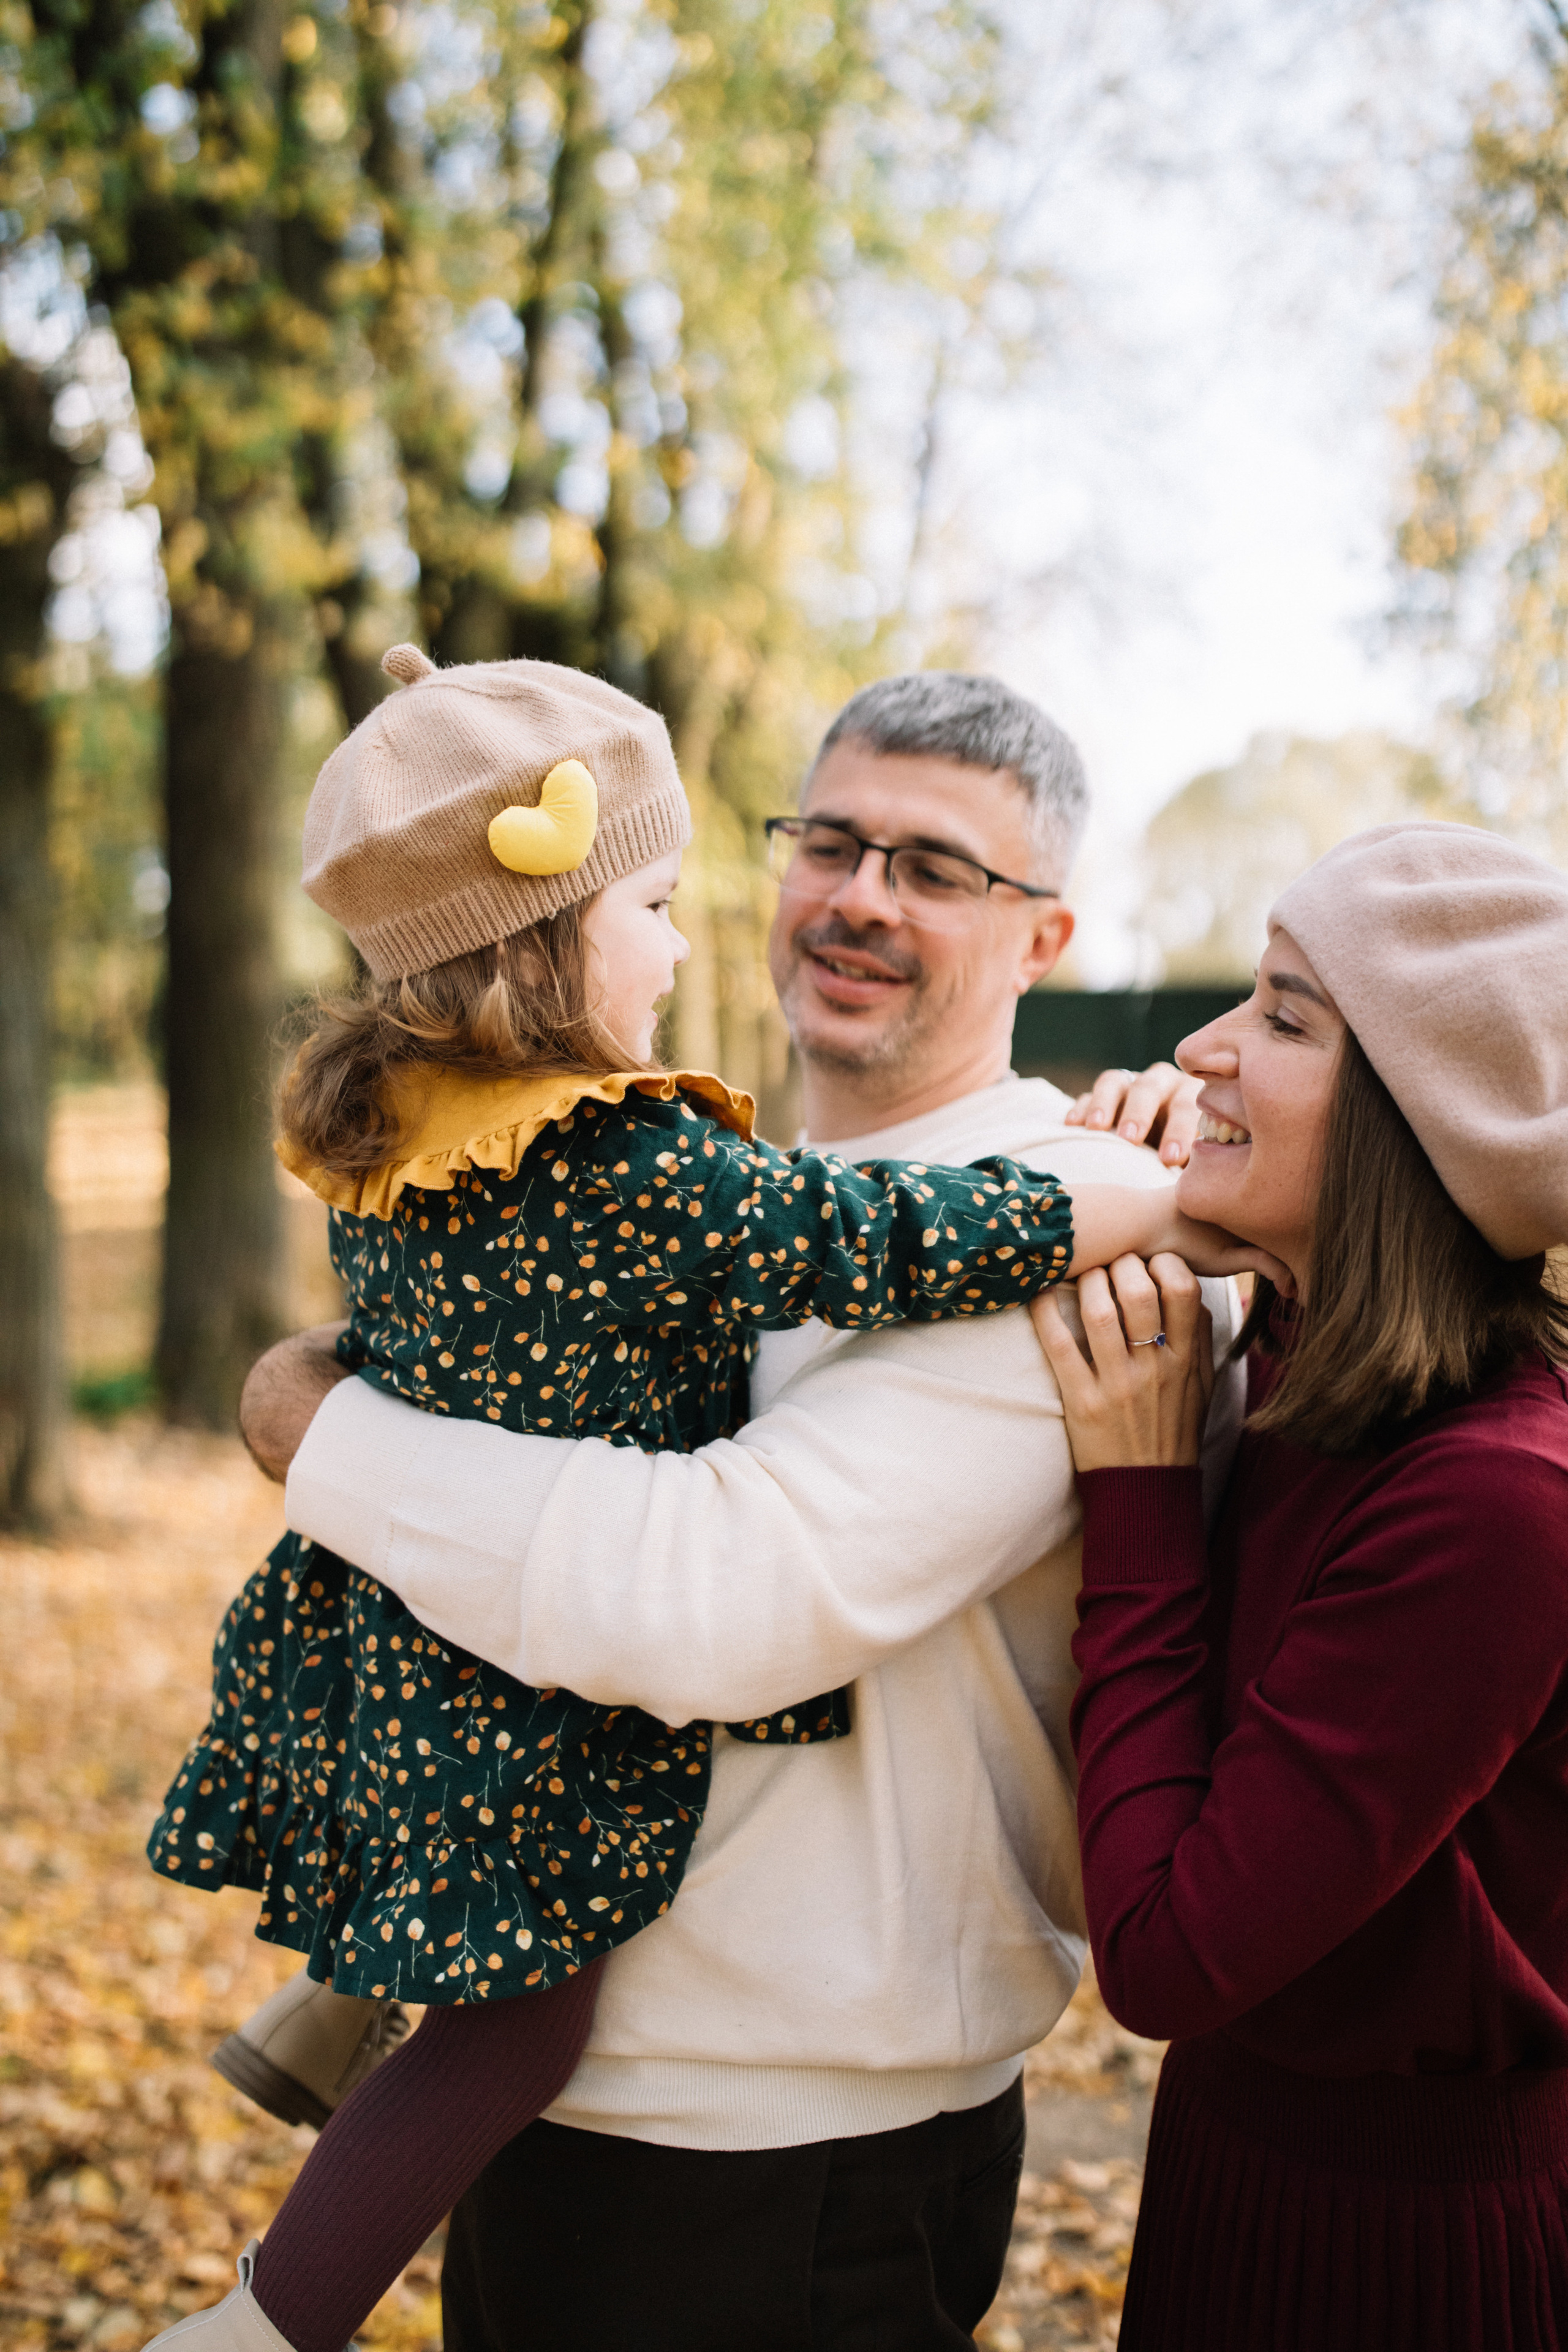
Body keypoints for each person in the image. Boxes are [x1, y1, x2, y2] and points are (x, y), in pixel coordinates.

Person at [145, 652, 1262, 2352]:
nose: (860, 898)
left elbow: (716, 1601)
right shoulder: (646, 1182)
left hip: (788, 2156)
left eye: (937, 868)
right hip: (566, 2094)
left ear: (1048, 939)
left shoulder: (1069, 1228)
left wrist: (318, 1427)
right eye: (831, 842)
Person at [1033, 821, 1568, 2351]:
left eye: (1279, 1016)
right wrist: (1116, 1188)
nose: (1199, 1043)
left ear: (1416, 1127)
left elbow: (1164, 1953)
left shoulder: (1495, 1501)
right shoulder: (1289, 1360)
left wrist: (1136, 1496)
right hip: (1229, 2178)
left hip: (1405, 2258)